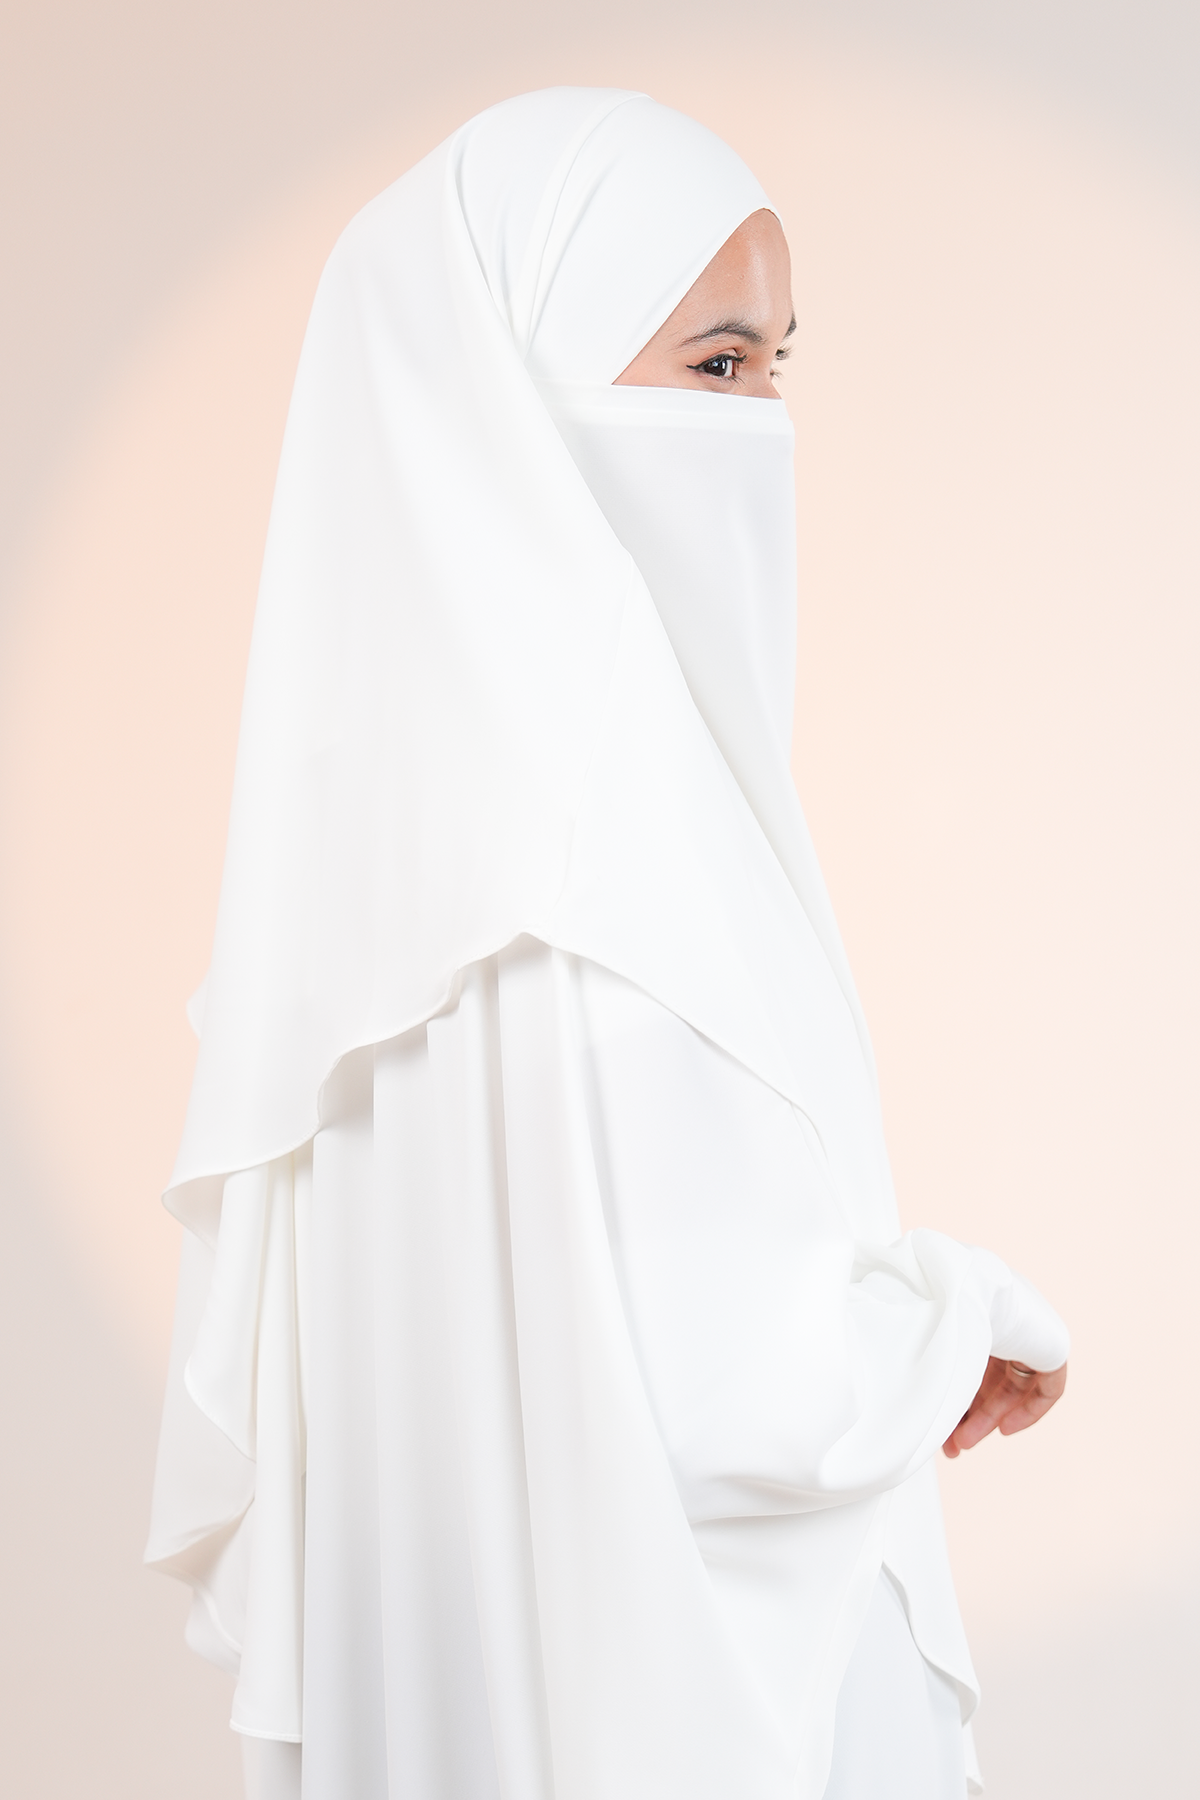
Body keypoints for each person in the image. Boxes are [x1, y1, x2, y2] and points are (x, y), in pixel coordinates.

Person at [146, 88, 1068, 1800]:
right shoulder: (605, 837)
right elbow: (719, 1404)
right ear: (517, 380)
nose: (765, 423)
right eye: (715, 366)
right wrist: (964, 1319)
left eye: (778, 365)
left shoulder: (374, 870)